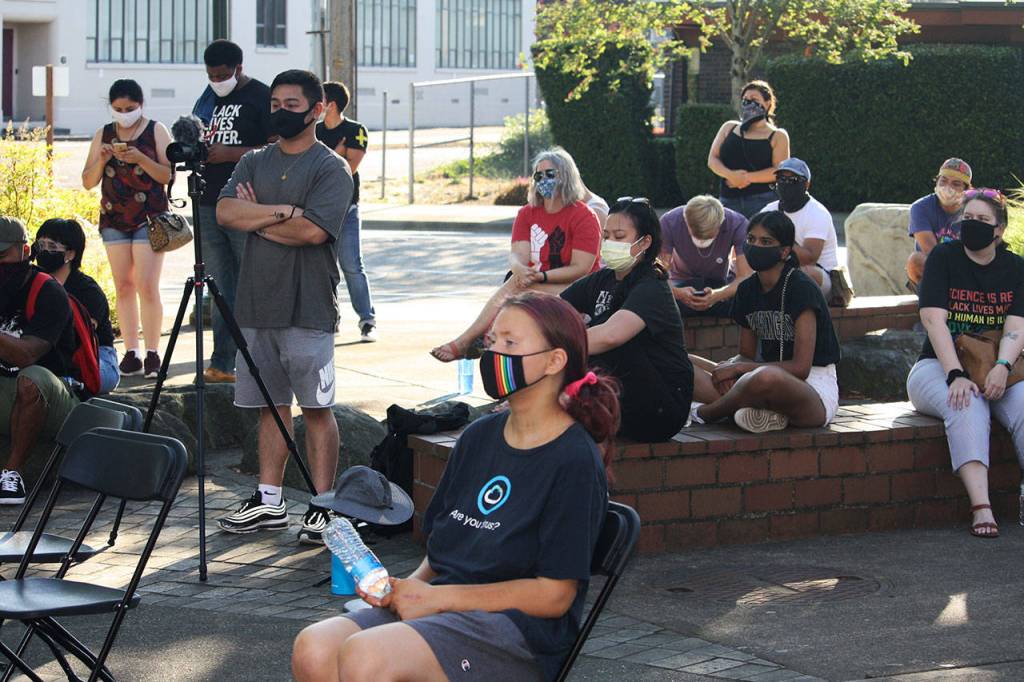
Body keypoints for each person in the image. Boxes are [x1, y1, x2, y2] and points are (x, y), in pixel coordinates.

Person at [292, 292, 616, 682]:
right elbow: (445, 547)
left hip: (516, 631)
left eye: (511, 344)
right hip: (446, 607)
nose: (494, 353)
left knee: (367, 657)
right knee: (314, 647)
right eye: (492, 341)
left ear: (554, 360)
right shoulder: (479, 436)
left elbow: (556, 594)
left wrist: (438, 600)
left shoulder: (573, 458)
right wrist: (407, 589)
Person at [215, 70, 353, 545]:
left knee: (316, 407)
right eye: (275, 102)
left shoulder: (332, 169)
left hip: (308, 306)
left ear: (317, 110)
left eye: (292, 104)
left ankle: (323, 503)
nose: (280, 111)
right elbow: (225, 212)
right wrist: (283, 213)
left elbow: (314, 232)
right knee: (270, 407)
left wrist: (258, 219)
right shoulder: (254, 161)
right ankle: (269, 500)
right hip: (255, 305)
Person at [906, 189, 1024, 539]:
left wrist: (1003, 365)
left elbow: (1016, 328)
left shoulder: (1016, 268)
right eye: (967, 219)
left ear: (999, 229)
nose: (972, 225)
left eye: (982, 221)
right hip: (936, 366)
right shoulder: (944, 257)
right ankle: (981, 506)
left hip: (996, 364)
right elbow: (933, 321)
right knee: (966, 401)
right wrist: (955, 373)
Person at [430, 147, 602, 362]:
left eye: (550, 174)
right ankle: (473, 341)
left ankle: (479, 340)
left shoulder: (584, 215)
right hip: (536, 281)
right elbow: (517, 255)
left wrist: (541, 277)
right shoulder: (528, 213)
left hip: (578, 288)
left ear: (566, 177)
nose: (543, 180)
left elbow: (581, 268)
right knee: (516, 282)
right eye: (538, 175)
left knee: (521, 289)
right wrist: (520, 269)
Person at [690, 211, 841, 434]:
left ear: (784, 251)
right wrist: (731, 368)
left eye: (766, 241)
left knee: (766, 378)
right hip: (756, 378)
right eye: (751, 239)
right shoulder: (746, 289)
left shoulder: (802, 288)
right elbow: (746, 354)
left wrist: (740, 368)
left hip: (812, 387)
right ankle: (759, 413)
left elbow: (801, 368)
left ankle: (705, 413)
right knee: (682, 362)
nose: (755, 246)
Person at [561, 197, 693, 442]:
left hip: (661, 409)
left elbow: (612, 336)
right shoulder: (604, 279)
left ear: (644, 242)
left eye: (619, 236)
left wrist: (552, 345)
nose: (610, 243)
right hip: (625, 398)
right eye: (607, 235)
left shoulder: (652, 285)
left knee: (605, 340)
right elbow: (556, 308)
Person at [81, 78, 171, 380]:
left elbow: (166, 175)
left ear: (140, 104)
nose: (123, 113)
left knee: (147, 284)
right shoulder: (103, 134)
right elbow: (88, 180)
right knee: (123, 285)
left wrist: (139, 158)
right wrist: (104, 157)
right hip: (113, 217)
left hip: (150, 218)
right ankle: (131, 351)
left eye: (129, 108)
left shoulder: (156, 130)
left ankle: (153, 351)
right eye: (118, 109)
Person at [197, 39, 274, 384]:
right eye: (211, 75)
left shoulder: (260, 96)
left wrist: (231, 154)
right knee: (219, 288)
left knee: (250, 284)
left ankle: (258, 363)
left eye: (223, 74)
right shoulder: (207, 97)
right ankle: (221, 363)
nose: (217, 80)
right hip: (207, 201)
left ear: (239, 69)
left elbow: (277, 147)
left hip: (245, 203)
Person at [0, 217, 80, 505]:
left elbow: (25, 354)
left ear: (24, 251)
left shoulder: (47, 290)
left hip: (55, 396)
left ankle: (12, 474)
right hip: (7, 393)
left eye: (1, 255)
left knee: (32, 377)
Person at [316, 81, 377, 343]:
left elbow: (348, 170)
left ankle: (367, 320)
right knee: (322, 268)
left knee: (352, 265)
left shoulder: (355, 130)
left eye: (320, 100)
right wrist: (337, 154)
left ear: (331, 104)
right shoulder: (313, 131)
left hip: (346, 209)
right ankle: (330, 319)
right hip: (318, 209)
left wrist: (330, 159)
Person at [32, 219, 119, 395]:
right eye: (40, 245)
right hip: (51, 355)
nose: (44, 250)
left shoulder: (87, 291)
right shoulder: (33, 281)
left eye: (52, 245)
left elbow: (80, 338)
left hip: (96, 357)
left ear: (71, 254)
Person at [708, 80, 791, 218]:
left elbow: (779, 171)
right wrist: (730, 175)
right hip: (728, 200)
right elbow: (712, 159)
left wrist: (745, 178)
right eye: (745, 100)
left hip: (763, 201)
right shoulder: (729, 128)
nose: (749, 103)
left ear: (768, 103)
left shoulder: (778, 135)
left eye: (754, 100)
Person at [659, 194, 751, 318]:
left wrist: (718, 295)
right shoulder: (669, 222)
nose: (702, 241)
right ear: (685, 220)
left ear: (721, 224)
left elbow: (746, 276)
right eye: (695, 235)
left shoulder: (738, 224)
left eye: (709, 236)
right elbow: (658, 273)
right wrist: (677, 292)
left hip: (720, 280)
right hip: (678, 280)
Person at [760, 158, 839, 300]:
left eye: (793, 180)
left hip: (821, 275)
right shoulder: (769, 210)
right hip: (777, 269)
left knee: (802, 274)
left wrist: (782, 236)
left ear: (806, 185)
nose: (786, 184)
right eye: (781, 179)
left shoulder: (817, 213)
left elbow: (809, 259)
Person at [906, 158, 973, 288]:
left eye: (956, 184)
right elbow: (932, 251)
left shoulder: (974, 209)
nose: (948, 187)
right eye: (943, 181)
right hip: (934, 271)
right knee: (915, 261)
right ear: (936, 182)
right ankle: (932, 296)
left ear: (966, 189)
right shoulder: (920, 207)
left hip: (966, 271)